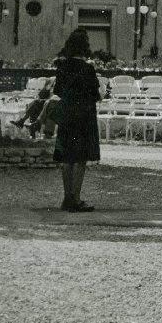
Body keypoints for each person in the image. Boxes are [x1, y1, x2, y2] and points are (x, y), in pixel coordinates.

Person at [52, 28, 101, 212]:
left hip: (66, 115)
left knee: (66, 157)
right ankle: (76, 199)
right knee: (80, 158)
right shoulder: (88, 68)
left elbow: (57, 91)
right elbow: (95, 95)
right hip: (83, 116)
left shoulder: (62, 67)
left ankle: (67, 198)